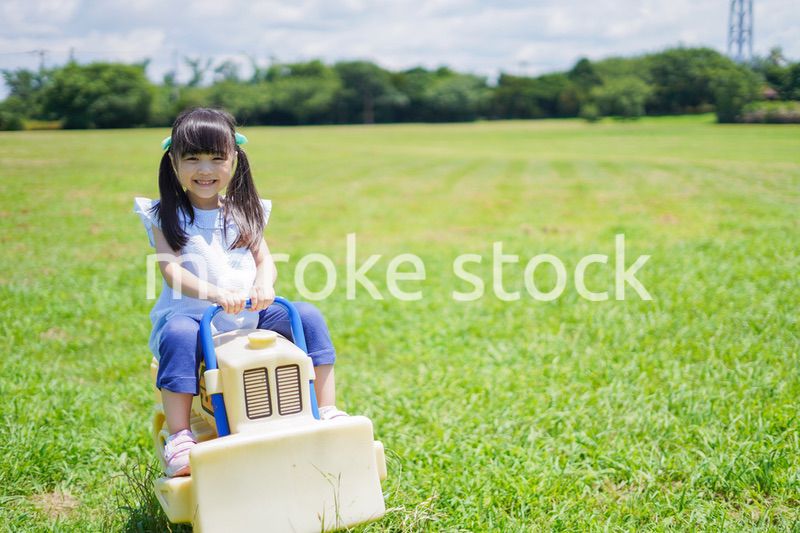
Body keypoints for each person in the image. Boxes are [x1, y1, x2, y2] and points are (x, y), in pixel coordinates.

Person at [134, 107, 346, 477]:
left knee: (307, 315)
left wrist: (264, 284)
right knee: (179, 334)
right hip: (195, 315)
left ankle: (325, 410)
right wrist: (215, 294)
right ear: (173, 161)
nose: (205, 170)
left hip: (249, 313)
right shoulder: (165, 215)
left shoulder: (244, 211)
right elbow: (171, 271)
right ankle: (181, 436)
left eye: (217, 159)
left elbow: (265, 259)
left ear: (234, 159)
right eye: (193, 159)